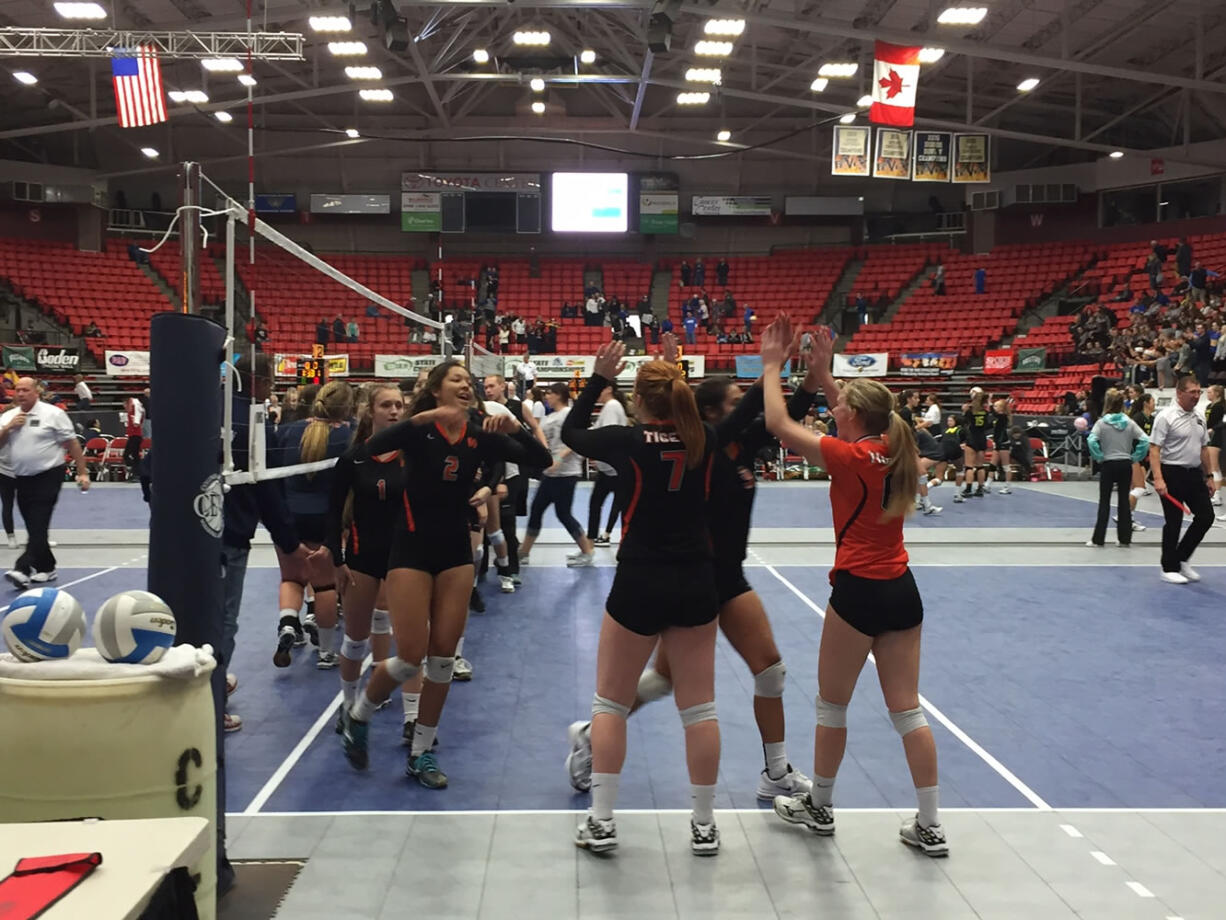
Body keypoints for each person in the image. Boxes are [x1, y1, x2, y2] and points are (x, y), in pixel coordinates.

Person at [759, 319, 947, 857]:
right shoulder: (895, 445)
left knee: (831, 707)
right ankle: (930, 824)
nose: (830, 409)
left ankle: (820, 806)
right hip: (901, 590)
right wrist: (823, 375)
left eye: (837, 407)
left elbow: (777, 421)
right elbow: (857, 412)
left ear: (853, 417)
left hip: (857, 592)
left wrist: (773, 364)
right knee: (907, 710)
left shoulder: (849, 457)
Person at [339, 361, 550, 788]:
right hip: (411, 549)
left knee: (442, 660)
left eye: (470, 382)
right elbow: (365, 450)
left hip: (456, 550)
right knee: (409, 655)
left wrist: (515, 429)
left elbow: (541, 460)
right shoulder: (418, 429)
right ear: (437, 390)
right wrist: (421, 418)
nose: (467, 386)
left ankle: (422, 752)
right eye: (457, 380)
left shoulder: (482, 431)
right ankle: (359, 714)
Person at [561, 341, 724, 856]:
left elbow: (569, 434)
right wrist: (675, 370)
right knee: (699, 710)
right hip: (697, 578)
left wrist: (596, 379)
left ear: (637, 400)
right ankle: (703, 826)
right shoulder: (704, 439)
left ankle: (603, 822)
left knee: (609, 703)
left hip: (641, 578)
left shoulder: (625, 440)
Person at [220, 355, 309, 733]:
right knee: (222, 618)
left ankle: (206, 679)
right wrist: (290, 544)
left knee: (189, 609)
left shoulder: (196, 407)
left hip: (184, 533)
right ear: (256, 380)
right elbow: (269, 492)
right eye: (270, 380)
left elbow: (150, 468)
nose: (272, 388)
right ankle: (209, 702)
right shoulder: (256, 423)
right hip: (231, 533)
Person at [320, 384, 413, 732]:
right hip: (361, 557)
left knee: (408, 642)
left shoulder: (413, 456)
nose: (393, 411)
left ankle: (413, 718)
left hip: (405, 559)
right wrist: (337, 557)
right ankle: (348, 706)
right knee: (356, 639)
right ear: (370, 411)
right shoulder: (354, 458)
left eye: (398, 405)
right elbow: (331, 512)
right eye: (386, 405)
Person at [270, 381, 354, 669]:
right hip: (326, 517)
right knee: (324, 585)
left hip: (289, 515)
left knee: (291, 578)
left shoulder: (288, 431)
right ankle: (327, 652)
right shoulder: (347, 435)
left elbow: (273, 475)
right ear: (347, 407)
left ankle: (288, 624)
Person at [0, 378, 90, 588]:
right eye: (17, 390)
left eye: (25, 390)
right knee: (34, 526)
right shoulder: (9, 416)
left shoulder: (53, 414)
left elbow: (72, 443)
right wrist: (8, 428)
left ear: (35, 392)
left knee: (39, 520)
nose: (20, 394)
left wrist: (82, 472)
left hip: (49, 475)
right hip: (21, 478)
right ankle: (47, 567)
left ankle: (22, 568)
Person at [518, 383, 597, 567]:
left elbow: (576, 440)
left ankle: (587, 552)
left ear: (559, 395)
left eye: (549, 394)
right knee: (537, 510)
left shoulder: (568, 414)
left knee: (563, 514)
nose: (546, 397)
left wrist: (559, 459)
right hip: (551, 474)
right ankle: (524, 553)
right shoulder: (549, 417)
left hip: (566, 474)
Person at [1149, 374, 1217, 584]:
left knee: (1206, 517)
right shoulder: (1166, 416)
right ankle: (1168, 568)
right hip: (1171, 473)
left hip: (1194, 473)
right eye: (1192, 392)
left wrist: (1209, 476)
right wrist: (1159, 479)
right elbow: (1154, 449)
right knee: (1174, 521)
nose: (1197, 396)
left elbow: (1204, 448)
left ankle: (1181, 558)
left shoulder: (1199, 416)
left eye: (1199, 392)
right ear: (1179, 393)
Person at [1086, 388, 1150, 547]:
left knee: (1104, 501)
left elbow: (1091, 440)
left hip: (1108, 463)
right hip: (1125, 464)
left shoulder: (1101, 423)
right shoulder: (1129, 422)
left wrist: (1099, 456)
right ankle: (1124, 538)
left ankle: (1098, 539)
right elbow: (1145, 440)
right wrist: (1136, 456)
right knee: (1123, 501)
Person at [586, 380, 627, 547]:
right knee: (597, 504)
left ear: (608, 389)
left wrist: (599, 455)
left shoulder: (612, 407)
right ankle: (590, 544)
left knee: (618, 506)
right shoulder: (610, 407)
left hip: (615, 470)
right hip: (609, 469)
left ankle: (603, 539)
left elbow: (608, 435)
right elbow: (597, 432)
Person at [960, 391, 992, 499]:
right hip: (982, 438)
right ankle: (980, 488)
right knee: (980, 466)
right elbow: (987, 425)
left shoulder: (970, 412)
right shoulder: (986, 412)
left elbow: (964, 422)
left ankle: (968, 488)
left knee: (969, 466)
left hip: (972, 438)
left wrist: (965, 410)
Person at [123, 390, 145, 476]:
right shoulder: (131, 411)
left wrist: (136, 421)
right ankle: (137, 471)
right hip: (132, 435)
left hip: (136, 435)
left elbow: (138, 415)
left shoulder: (136, 406)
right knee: (130, 455)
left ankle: (137, 472)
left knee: (133, 455)